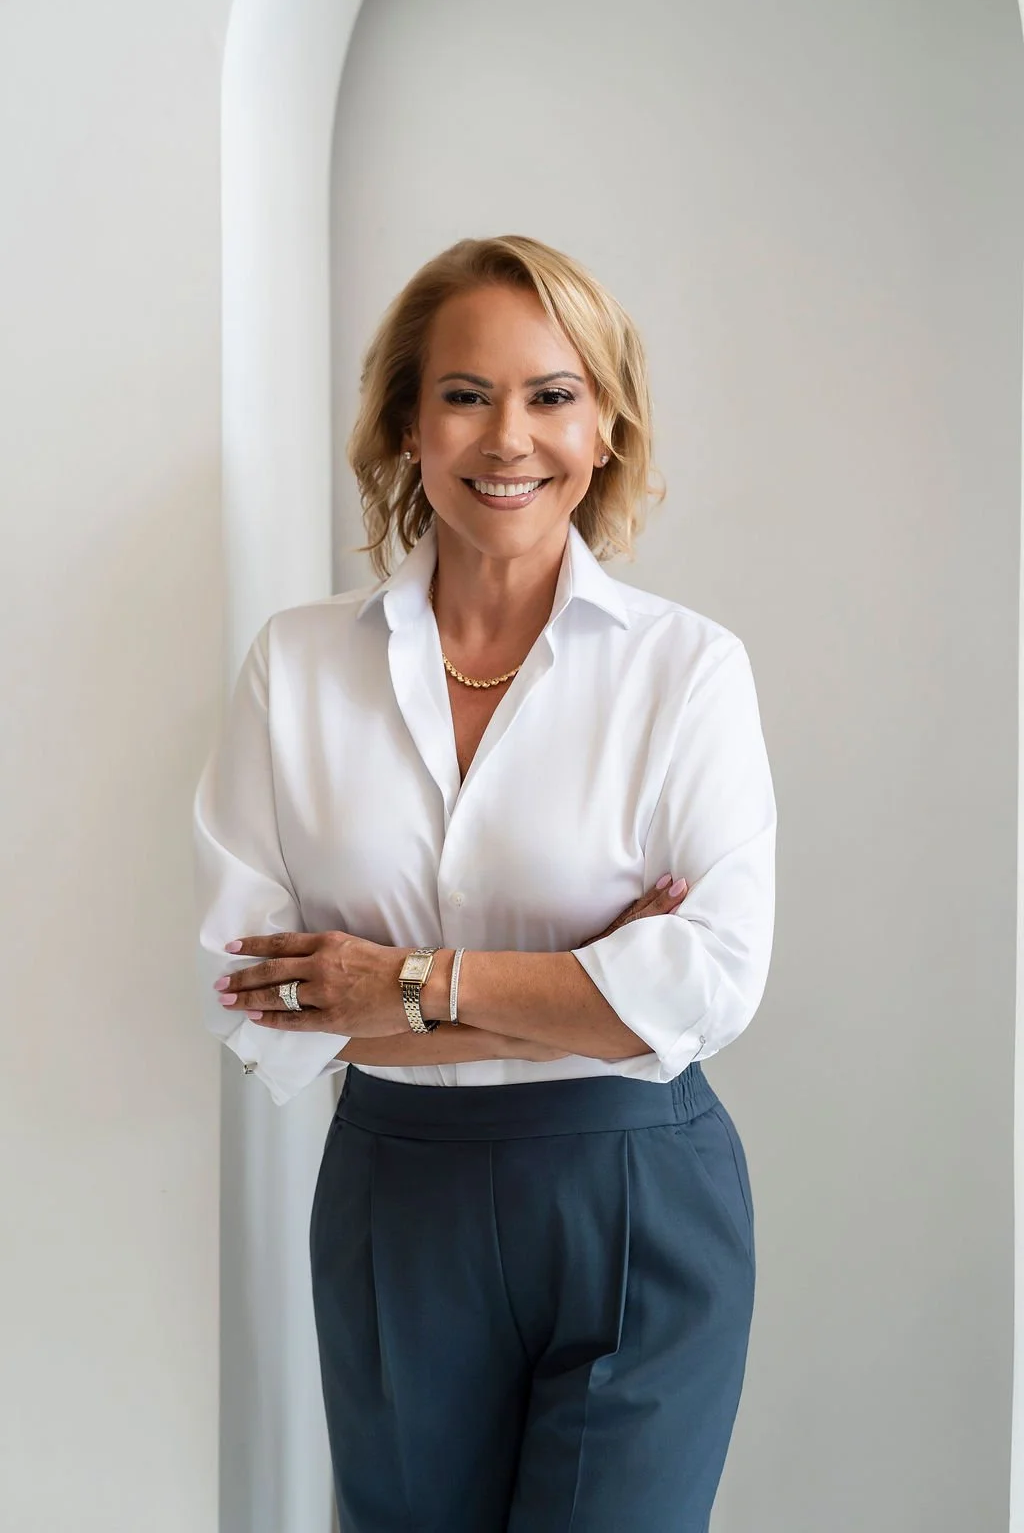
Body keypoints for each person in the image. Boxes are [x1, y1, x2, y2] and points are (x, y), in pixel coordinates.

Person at [192, 233, 777, 1532]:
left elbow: (707, 987)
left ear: (607, 424)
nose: (509, 437)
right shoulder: (297, 669)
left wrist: (392, 983)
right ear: (409, 421)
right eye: (466, 394)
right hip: (400, 1201)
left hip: (639, 1203)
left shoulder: (687, 673)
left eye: (552, 394)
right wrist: (586, 987)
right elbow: (249, 997)